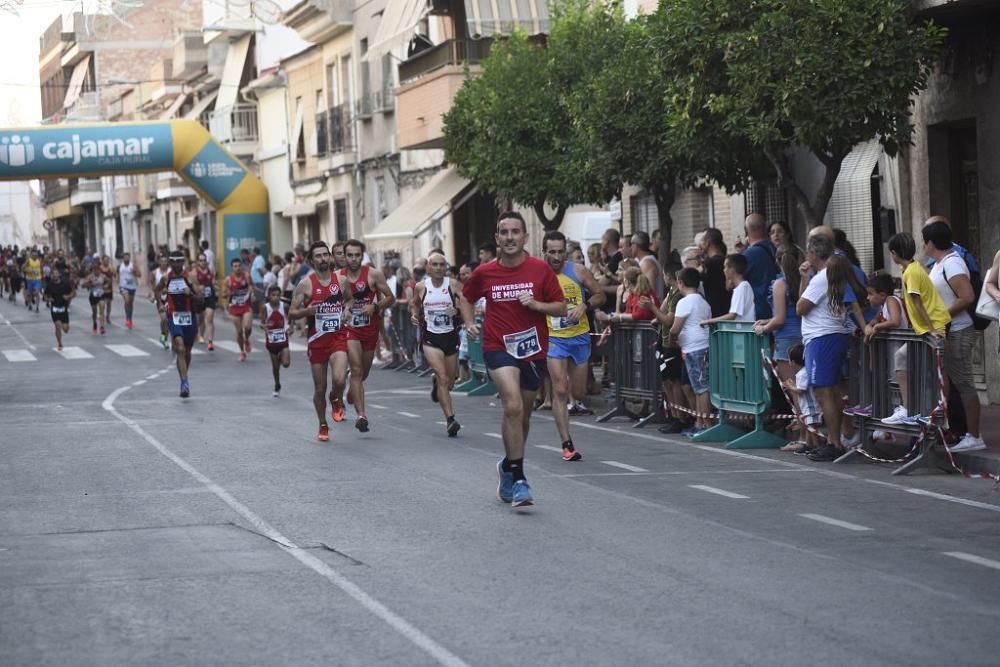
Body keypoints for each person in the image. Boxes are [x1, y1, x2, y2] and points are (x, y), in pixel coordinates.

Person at [460, 211, 566, 508]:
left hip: (532, 349)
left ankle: (508, 464)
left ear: (525, 237)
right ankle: (519, 478)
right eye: (504, 232)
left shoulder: (540, 270)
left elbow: (560, 307)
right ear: (497, 238)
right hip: (498, 346)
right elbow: (466, 297)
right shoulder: (485, 272)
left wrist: (536, 304)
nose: (509, 237)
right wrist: (469, 322)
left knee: (524, 414)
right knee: (512, 404)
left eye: (515, 232)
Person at [796, 236, 866, 461]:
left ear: (813, 254)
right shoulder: (827, 276)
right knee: (831, 390)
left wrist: (806, 279)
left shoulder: (821, 279)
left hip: (823, 337)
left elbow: (800, 307)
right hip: (828, 336)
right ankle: (834, 440)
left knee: (824, 391)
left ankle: (834, 442)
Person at [542, 230, 606, 461]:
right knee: (560, 389)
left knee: (577, 392)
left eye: (561, 252)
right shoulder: (538, 275)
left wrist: (584, 306)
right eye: (552, 252)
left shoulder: (578, 271)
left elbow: (600, 295)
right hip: (553, 338)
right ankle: (566, 443)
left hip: (579, 337)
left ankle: (573, 400)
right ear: (544, 252)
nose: (557, 256)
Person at [923, 221, 985, 452]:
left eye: (924, 241)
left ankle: (975, 436)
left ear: (930, 242)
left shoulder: (954, 263)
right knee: (952, 383)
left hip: (959, 330)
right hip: (947, 332)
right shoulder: (940, 264)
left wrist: (940, 317)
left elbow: (967, 297)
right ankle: (954, 429)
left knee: (964, 383)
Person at [289, 242, 355, 442]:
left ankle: (335, 398)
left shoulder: (341, 281)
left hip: (338, 337)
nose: (323, 258)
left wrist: (346, 310)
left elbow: (350, 300)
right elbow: (291, 312)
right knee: (319, 388)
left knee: (340, 379)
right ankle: (322, 423)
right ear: (311, 260)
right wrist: (307, 311)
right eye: (318, 256)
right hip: (317, 341)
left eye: (326, 255)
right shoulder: (305, 284)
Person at [339, 239, 395, 432]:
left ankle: (352, 387)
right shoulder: (338, 277)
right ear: (344, 256)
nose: (353, 259)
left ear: (362, 256)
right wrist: (343, 311)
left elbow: (390, 297)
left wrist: (376, 306)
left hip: (370, 329)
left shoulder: (373, 275)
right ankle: (361, 415)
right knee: (356, 370)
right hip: (350, 330)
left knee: (364, 372)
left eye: (357, 255)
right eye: (350, 255)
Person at [410, 251, 463, 437]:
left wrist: (456, 311)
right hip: (431, 338)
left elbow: (466, 305)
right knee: (443, 377)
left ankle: (436, 382)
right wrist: (414, 315)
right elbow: (414, 304)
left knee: (449, 382)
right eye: (435, 265)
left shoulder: (454, 285)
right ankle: (450, 420)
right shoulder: (421, 286)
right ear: (428, 268)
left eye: (442, 265)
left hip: (450, 337)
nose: (439, 268)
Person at [668, 268, 714, 436]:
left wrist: (673, 339)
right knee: (699, 386)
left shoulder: (685, 302)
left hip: (694, 347)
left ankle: (704, 424)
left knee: (701, 387)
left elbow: (675, 327)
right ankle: (700, 421)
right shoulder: (703, 301)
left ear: (680, 283)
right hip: (703, 344)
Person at [863, 271, 910, 432]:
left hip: (900, 349)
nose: (868, 298)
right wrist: (871, 325)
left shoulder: (891, 300)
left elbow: (895, 321)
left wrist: (877, 327)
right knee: (892, 386)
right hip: (892, 351)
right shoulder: (884, 305)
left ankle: (904, 410)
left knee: (898, 386)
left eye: (870, 294)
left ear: (882, 294)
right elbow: (876, 319)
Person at [753, 245, 804, 383]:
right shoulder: (803, 280)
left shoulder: (780, 284)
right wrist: (768, 320)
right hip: (803, 336)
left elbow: (780, 319)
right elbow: (790, 313)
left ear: (777, 261)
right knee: (805, 387)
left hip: (786, 340)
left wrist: (763, 329)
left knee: (793, 388)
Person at [156, 253, 202, 398]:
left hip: (189, 317)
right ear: (170, 263)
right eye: (173, 262)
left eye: (179, 262)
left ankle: (184, 375)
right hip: (174, 316)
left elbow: (201, 300)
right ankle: (184, 382)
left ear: (182, 262)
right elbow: (157, 290)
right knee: (180, 348)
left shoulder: (190, 277)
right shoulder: (165, 279)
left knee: (187, 351)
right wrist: (161, 304)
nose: (176, 265)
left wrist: (192, 294)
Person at [784, 343, 822, 454]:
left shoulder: (803, 373)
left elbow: (800, 390)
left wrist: (790, 387)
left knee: (811, 427)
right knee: (809, 425)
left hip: (810, 406)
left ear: (793, 362)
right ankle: (809, 444)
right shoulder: (802, 373)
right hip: (806, 406)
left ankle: (816, 446)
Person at [740, 213, 778, 319]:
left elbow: (736, 281)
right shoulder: (775, 249)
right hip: (778, 309)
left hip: (758, 312)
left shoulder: (747, 255)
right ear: (765, 228)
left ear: (746, 231)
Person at [700, 253, 755, 326]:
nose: (724, 270)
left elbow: (732, 315)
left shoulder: (741, 288)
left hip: (743, 332)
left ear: (732, 269)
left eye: (725, 267)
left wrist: (709, 321)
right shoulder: (744, 286)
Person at [261, 285, 291, 397]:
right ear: (269, 296)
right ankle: (277, 384)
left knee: (286, 364)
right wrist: (265, 327)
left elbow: (290, 319)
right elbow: (262, 322)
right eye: (273, 295)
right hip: (272, 341)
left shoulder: (285, 306)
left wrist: (291, 327)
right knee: (275, 367)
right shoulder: (265, 307)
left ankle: (280, 357)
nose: (276, 297)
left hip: (283, 339)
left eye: (278, 295)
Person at [223, 257, 255, 361]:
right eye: (235, 266)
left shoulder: (246, 276)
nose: (237, 268)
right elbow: (224, 294)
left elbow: (251, 286)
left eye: (239, 266)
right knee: (239, 332)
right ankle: (242, 351)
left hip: (246, 305)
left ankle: (247, 339)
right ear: (232, 268)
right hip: (234, 307)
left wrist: (252, 292)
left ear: (241, 266)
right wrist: (227, 294)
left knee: (247, 327)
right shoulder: (228, 280)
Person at [700, 228, 730, 317]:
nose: (700, 245)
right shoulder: (726, 261)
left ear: (708, 242)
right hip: (727, 309)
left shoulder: (710, 264)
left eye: (702, 241)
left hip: (715, 313)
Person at [43, 266, 75, 351]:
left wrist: (68, 296)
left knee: (66, 329)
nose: (54, 275)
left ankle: (62, 329)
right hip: (54, 309)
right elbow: (44, 296)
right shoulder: (50, 285)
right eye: (53, 274)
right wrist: (48, 299)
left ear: (59, 275)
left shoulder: (65, 284)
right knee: (57, 325)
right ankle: (60, 343)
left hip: (63, 309)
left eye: (56, 274)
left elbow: (73, 294)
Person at [193, 254, 217, 350]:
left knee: (209, 319)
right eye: (200, 260)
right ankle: (199, 335)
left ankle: (210, 342)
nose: (202, 262)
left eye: (204, 260)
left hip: (209, 297)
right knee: (200, 319)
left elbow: (213, 282)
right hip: (199, 299)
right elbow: (193, 285)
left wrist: (215, 287)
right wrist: (198, 288)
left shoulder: (211, 271)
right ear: (198, 261)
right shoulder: (195, 272)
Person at [631, 231, 664, 300]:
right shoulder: (638, 260)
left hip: (651, 307)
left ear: (636, 245)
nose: (630, 247)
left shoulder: (647, 263)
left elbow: (650, 290)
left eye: (631, 244)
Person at [80, 263, 110, 335]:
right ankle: (94, 323)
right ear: (93, 271)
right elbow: (82, 285)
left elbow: (109, 281)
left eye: (98, 270)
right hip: (93, 296)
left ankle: (102, 327)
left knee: (102, 308)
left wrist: (106, 285)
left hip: (101, 295)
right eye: (95, 270)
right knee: (94, 312)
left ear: (100, 270)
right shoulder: (90, 277)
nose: (97, 271)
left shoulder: (103, 276)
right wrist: (89, 283)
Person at [151, 254, 171, 349]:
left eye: (165, 261)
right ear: (159, 262)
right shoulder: (155, 273)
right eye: (162, 261)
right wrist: (153, 296)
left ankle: (164, 336)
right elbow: (154, 287)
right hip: (160, 299)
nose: (164, 263)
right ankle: (164, 338)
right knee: (164, 319)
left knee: (170, 321)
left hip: (170, 299)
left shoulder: (171, 272)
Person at [117, 252, 140, 329]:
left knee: (130, 304)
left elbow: (139, 274)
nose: (126, 258)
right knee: (127, 301)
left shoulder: (133, 265)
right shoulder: (120, 266)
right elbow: (118, 275)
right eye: (125, 257)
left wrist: (135, 272)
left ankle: (130, 318)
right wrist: (118, 282)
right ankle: (127, 318)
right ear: (123, 258)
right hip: (123, 286)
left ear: (129, 258)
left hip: (132, 287)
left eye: (127, 257)